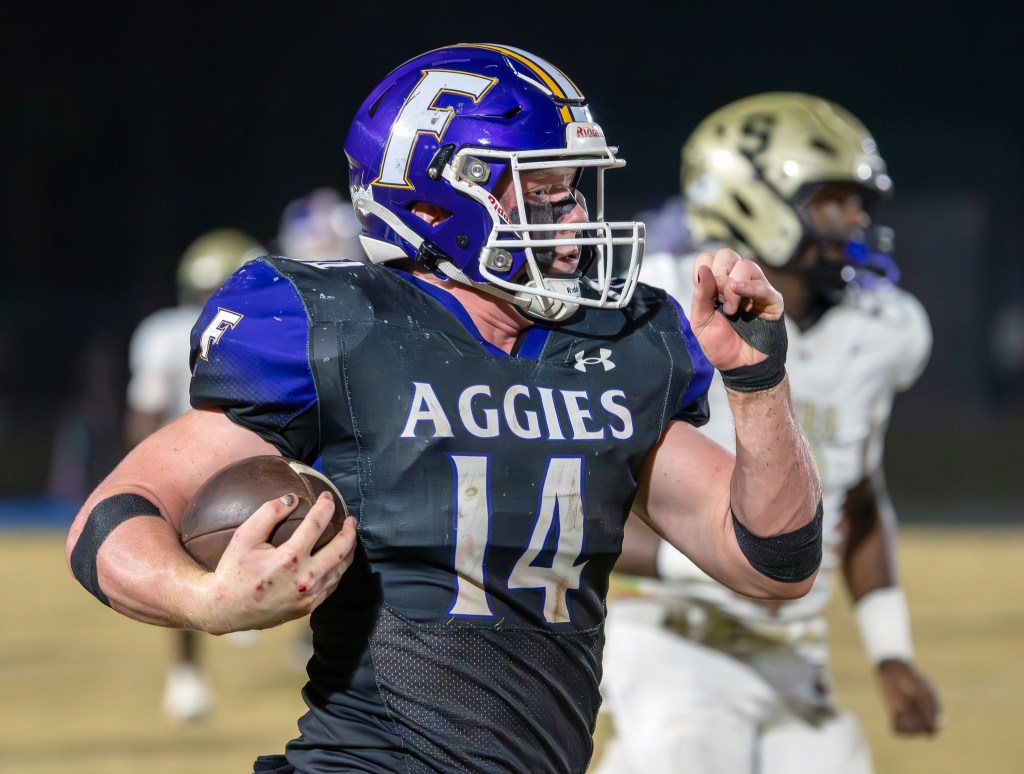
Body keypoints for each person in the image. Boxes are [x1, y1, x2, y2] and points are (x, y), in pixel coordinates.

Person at [66, 45, 822, 773]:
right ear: (434, 202)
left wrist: (759, 382)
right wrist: (204, 598)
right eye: (540, 190)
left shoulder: (616, 345)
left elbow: (772, 563)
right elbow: (115, 513)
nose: (571, 218)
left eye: (572, 188)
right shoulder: (343, 330)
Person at [595, 92, 942, 774]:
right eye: (831, 200)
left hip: (792, 650)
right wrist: (719, 559)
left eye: (857, 201)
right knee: (688, 755)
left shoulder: (884, 328)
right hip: (670, 634)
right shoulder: (657, 302)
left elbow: (856, 497)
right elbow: (583, 485)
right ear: (751, 200)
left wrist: (890, 650)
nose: (855, 219)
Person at [123, 227, 265, 721]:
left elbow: (142, 410)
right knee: (181, 571)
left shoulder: (168, 331)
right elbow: (147, 410)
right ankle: (187, 675)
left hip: (237, 461)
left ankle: (192, 673)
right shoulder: (174, 333)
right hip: (206, 463)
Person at [275, 186, 363, 263]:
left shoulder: (346, 230)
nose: (323, 218)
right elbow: (294, 251)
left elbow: (352, 257)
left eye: (327, 210)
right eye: (321, 210)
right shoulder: (300, 227)